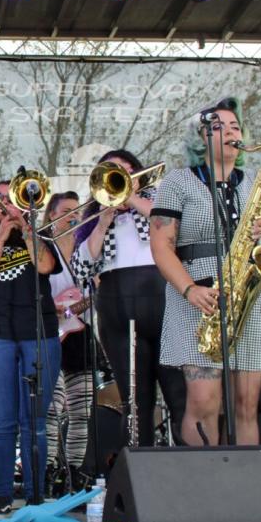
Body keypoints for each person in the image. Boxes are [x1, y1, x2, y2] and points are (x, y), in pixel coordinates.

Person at [150, 98, 261, 446]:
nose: (231, 133)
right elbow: (160, 246)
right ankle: (205, 487)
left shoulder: (257, 184)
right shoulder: (178, 182)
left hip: (251, 297)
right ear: (201, 137)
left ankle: (245, 486)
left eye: (235, 127)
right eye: (219, 127)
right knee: (203, 402)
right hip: (199, 298)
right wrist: (189, 290)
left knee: (246, 405)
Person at [71, 150, 186, 448]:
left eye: (123, 171)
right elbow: (81, 267)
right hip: (117, 306)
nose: (117, 178)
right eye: (110, 173)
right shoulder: (97, 216)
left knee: (178, 392)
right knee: (135, 399)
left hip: (163, 300)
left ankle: (190, 469)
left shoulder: (157, 201)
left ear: (137, 173)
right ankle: (140, 473)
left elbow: (177, 229)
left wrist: (133, 199)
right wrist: (101, 222)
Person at [0, 180, 61, 518]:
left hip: (38, 332)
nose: (5, 205)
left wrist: (27, 229)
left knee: (33, 420)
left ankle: (36, 496)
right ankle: (1, 494)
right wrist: (2, 237)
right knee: (3, 420)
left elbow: (47, 266)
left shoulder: (41, 234)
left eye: (11, 199)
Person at [42, 191, 94, 494]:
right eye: (66, 211)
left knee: (81, 409)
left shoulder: (86, 248)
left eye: (77, 211)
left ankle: (73, 471)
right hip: (52, 332)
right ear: (51, 215)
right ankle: (47, 469)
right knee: (51, 406)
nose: (74, 216)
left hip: (81, 335)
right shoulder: (44, 249)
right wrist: (56, 308)